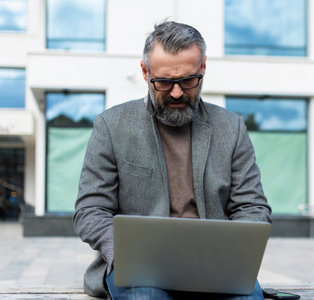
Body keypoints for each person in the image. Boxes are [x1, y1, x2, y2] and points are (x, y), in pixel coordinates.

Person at [73, 21, 271, 299]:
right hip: (139, 268)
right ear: (145, 72)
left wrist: (234, 256)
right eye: (164, 82)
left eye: (188, 80)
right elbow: (90, 209)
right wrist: (128, 254)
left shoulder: (232, 127)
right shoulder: (111, 126)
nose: (177, 92)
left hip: (216, 266)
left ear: (203, 68)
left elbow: (252, 206)